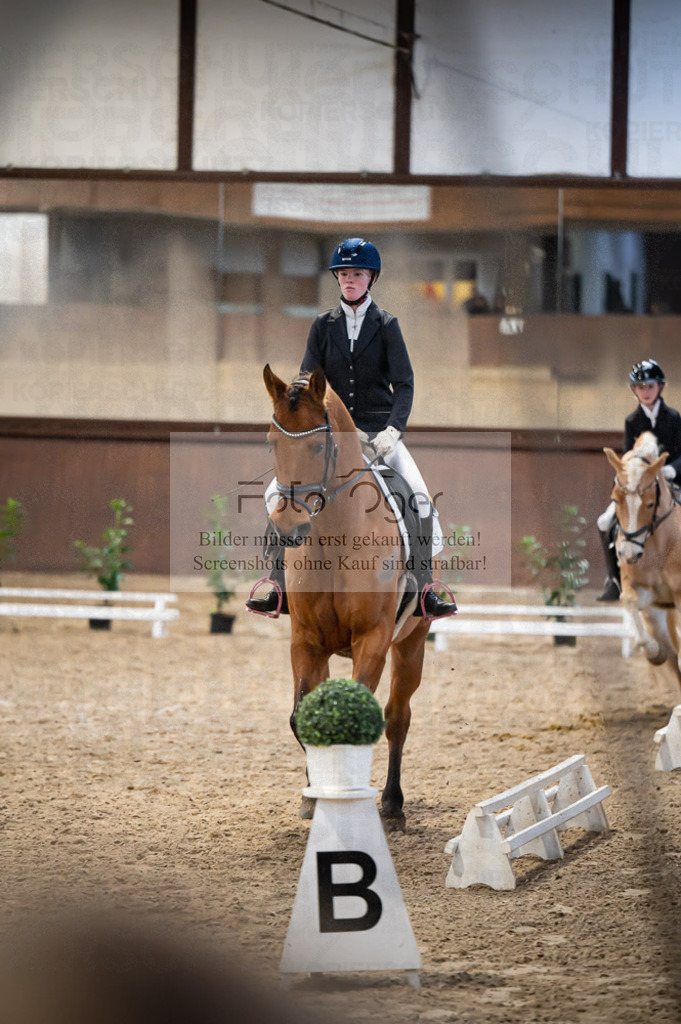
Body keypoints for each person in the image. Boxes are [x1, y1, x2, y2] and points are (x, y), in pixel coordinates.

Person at [246, 236, 457, 619]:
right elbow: (306, 378)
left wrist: (392, 431)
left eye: (357, 274)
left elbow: (404, 384)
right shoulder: (322, 326)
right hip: (330, 436)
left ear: (371, 278)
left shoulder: (387, 326)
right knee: (276, 493)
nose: (349, 280)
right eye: (343, 274)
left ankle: (425, 587)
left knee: (421, 499)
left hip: (379, 435)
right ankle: (277, 585)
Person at [597, 358, 681, 601]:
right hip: (639, 487)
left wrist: (671, 470)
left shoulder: (674, 418)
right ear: (634, 390)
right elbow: (627, 456)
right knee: (604, 521)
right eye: (640, 387)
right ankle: (614, 580)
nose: (645, 392)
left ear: (660, 387)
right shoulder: (632, 421)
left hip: (672, 481)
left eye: (650, 386)